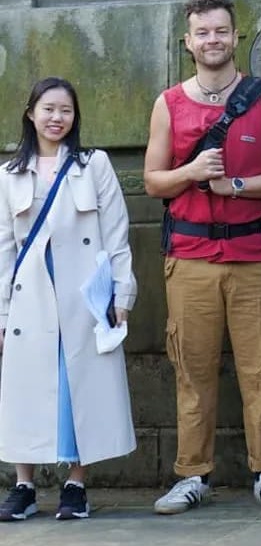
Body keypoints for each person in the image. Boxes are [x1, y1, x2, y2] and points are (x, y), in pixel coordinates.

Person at [143, 0, 261, 515]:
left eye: (220, 31)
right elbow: (152, 181)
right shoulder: (169, 103)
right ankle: (192, 474)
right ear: (188, 42)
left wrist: (236, 186)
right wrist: (190, 173)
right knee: (191, 370)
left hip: (253, 254)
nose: (212, 40)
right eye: (202, 32)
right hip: (189, 255)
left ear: (235, 37)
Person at [0, 78, 137, 522]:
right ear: (30, 113)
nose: (56, 118)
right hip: (30, 295)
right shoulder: (8, 174)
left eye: (66, 110)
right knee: (26, 388)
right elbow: (3, 248)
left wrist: (122, 292)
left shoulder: (94, 164)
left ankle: (76, 484)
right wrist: (2, 312)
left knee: (80, 385)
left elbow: (116, 233)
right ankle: (23, 485)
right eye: (48, 109)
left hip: (83, 292)